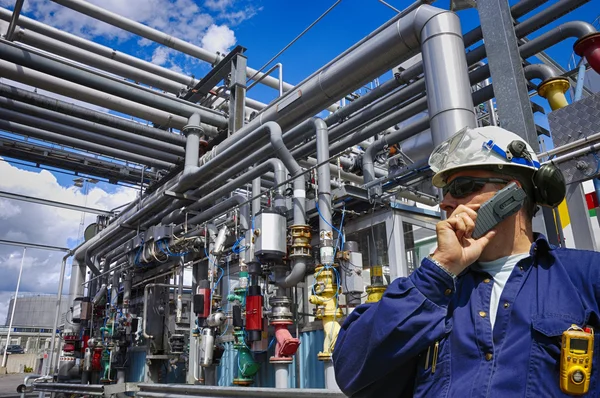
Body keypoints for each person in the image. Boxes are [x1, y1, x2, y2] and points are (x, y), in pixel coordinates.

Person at [333, 126, 600, 397]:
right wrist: (439, 272)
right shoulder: (431, 291)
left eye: (462, 187)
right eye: (445, 191)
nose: (445, 203)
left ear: (511, 194)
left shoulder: (586, 277)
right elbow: (350, 372)